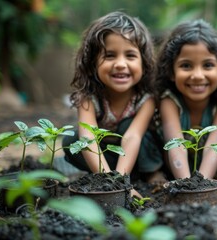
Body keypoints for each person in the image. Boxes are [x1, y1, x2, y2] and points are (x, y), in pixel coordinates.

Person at [62, 11, 165, 197]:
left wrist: (121, 182)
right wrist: (110, 182)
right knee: (72, 140)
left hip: (138, 154)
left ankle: (149, 172)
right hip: (108, 157)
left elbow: (132, 137)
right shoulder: (88, 97)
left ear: (144, 63)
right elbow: (88, 138)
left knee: (129, 127)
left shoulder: (146, 98)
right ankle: (103, 174)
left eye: (130, 55)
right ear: (93, 62)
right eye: (110, 55)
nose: (120, 64)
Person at [155, 19, 217, 180]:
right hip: (174, 158)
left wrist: (201, 184)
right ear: (171, 71)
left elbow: (214, 147)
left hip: (211, 157)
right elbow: (176, 146)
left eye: (208, 65)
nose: (197, 75)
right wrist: (186, 184)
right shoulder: (169, 102)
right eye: (186, 66)